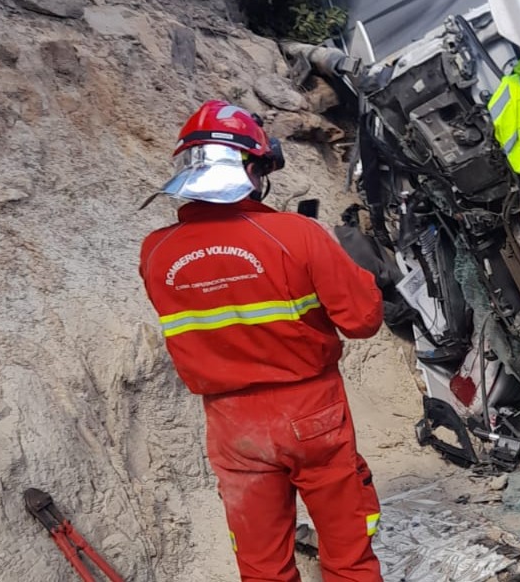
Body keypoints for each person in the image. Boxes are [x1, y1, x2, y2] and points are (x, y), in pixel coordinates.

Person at [138, 100, 385, 582]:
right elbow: (362, 321)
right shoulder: (296, 234)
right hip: (312, 413)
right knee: (349, 555)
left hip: (233, 428)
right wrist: (364, 274)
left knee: (262, 566)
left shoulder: (155, 252)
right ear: (251, 168)